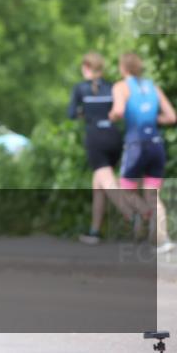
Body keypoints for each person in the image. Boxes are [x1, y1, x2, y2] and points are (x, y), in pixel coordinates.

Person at [108, 52, 176, 254]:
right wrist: (153, 120)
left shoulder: (120, 87)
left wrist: (110, 116)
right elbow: (171, 116)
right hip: (156, 144)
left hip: (136, 145)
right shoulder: (152, 87)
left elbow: (119, 111)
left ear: (123, 68)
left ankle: (144, 213)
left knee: (124, 189)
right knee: (153, 195)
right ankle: (163, 241)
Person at [68, 52, 136, 244]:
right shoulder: (112, 86)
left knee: (107, 183)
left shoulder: (80, 88)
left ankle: (132, 215)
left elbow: (71, 113)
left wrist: (85, 113)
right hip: (114, 137)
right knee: (98, 185)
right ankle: (95, 231)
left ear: (86, 68)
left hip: (96, 139)